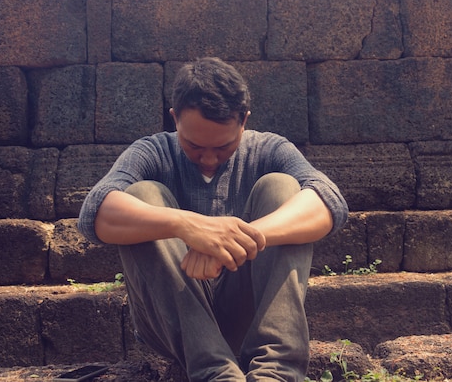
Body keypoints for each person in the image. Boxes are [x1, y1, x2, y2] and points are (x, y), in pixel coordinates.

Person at [78, 57, 348, 381]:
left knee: (283, 188)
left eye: (223, 147)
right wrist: (187, 226)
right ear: (175, 118)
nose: (208, 158)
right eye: (193, 145)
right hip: (172, 319)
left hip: (245, 313)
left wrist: (232, 239)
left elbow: (328, 203)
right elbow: (95, 213)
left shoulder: (268, 149)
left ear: (243, 121)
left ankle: (276, 374)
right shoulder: (152, 152)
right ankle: (216, 374)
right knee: (141, 195)